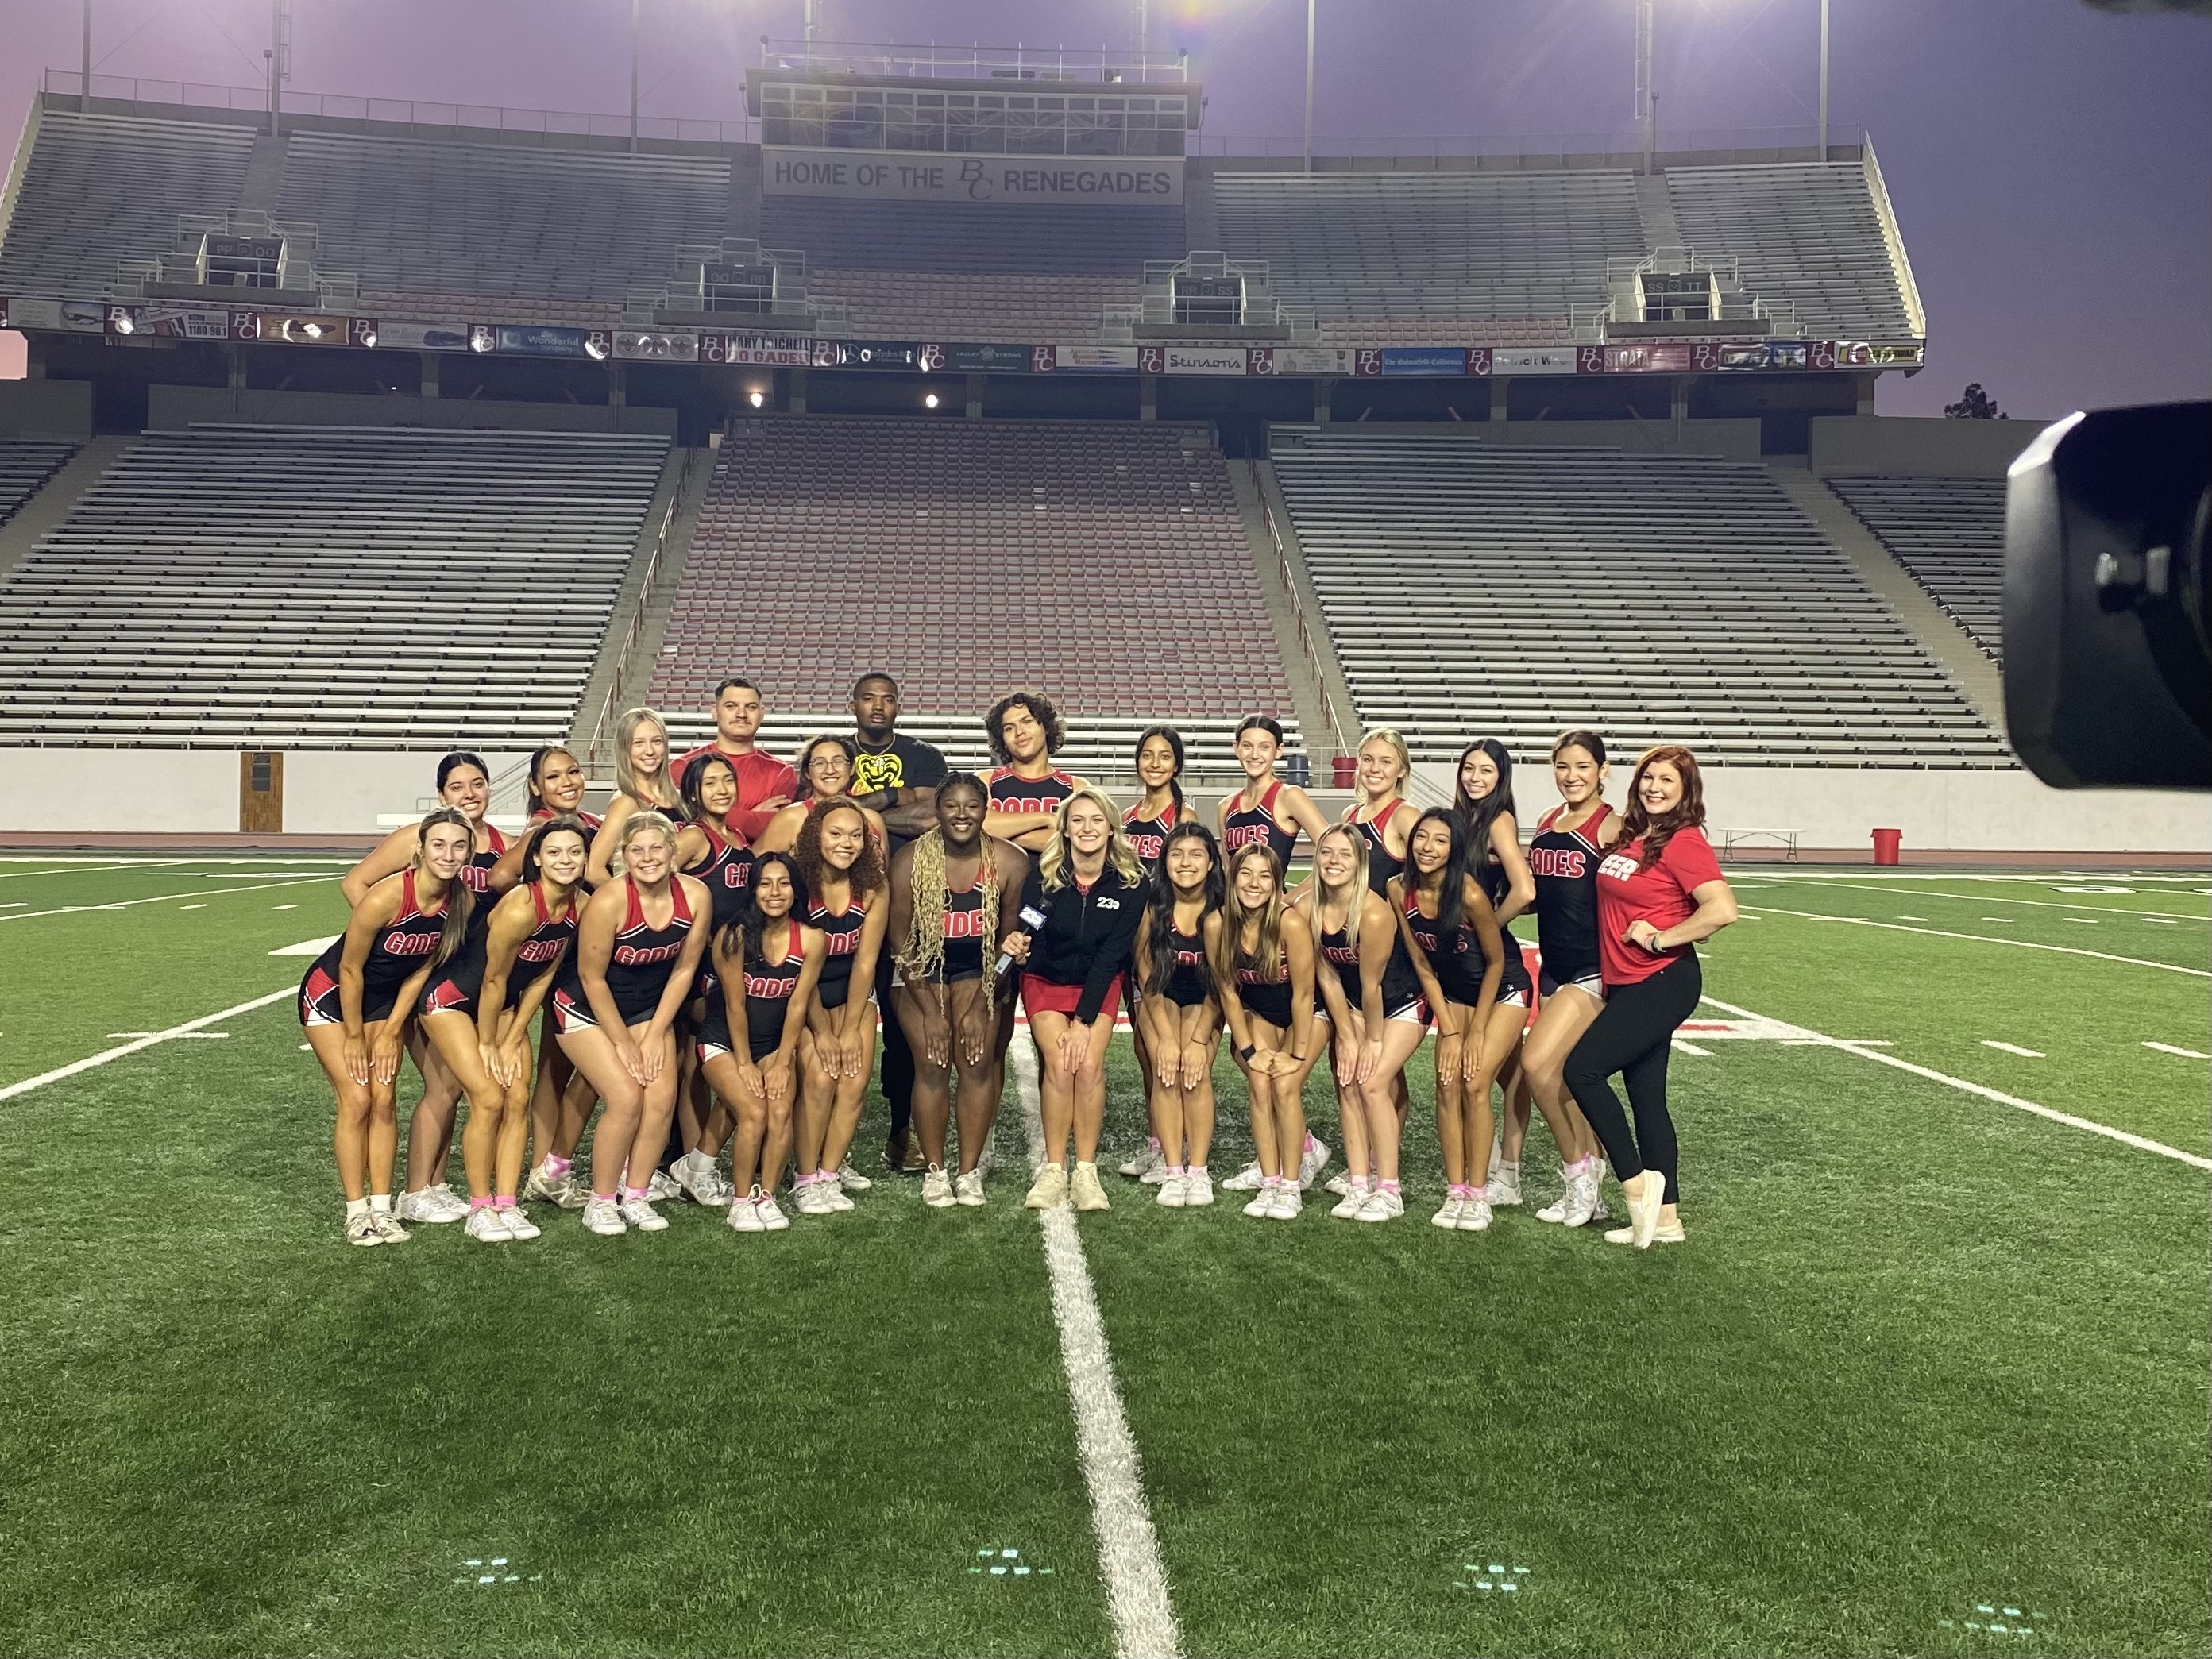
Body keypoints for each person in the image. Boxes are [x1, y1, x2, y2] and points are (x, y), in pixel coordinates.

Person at [1564, 745, 1738, 1250]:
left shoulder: (1683, 841)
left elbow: (1722, 909)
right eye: (1648, 778)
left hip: (1662, 979)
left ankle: (1639, 1187)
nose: (1655, 788)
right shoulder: (1636, 837)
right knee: (1647, 1099)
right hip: (1628, 981)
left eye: (1667, 781)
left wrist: (1663, 937)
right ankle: (1667, 1221)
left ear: (1686, 791)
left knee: (1582, 1071)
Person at [339, 751, 505, 1226]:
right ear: (441, 796)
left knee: (449, 1083)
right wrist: (397, 943)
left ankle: (432, 1183)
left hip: (456, 979)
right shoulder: (418, 839)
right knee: (432, 1084)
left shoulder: (500, 843)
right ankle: (415, 1188)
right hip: (414, 979)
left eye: (478, 784)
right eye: (457, 787)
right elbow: (357, 883)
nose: (469, 794)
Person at [301, 808, 476, 1246]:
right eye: (439, 844)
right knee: (357, 1099)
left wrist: (394, 1029)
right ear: (419, 848)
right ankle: (356, 1212)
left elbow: (422, 968)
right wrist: (358, 1037)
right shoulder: (386, 896)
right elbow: (351, 968)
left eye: (458, 846)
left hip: (384, 1003)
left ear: (469, 852)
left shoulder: (462, 901)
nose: (448, 854)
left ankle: (383, 1210)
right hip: (332, 995)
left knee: (384, 1100)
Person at [416, 817, 587, 1243]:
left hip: (505, 1006)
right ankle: (479, 1208)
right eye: (554, 852)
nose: (565, 861)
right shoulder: (520, 906)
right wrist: (490, 1043)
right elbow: (492, 980)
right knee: (490, 1097)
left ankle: (506, 1204)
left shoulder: (579, 904)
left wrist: (513, 1038)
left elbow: (543, 975)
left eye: (574, 852)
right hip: (452, 1002)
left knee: (518, 1097)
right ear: (536, 859)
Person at [550, 812, 710, 1237]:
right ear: (624, 856)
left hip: (645, 1009)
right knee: (625, 1096)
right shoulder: (610, 900)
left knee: (661, 1095)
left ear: (673, 852)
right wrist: (623, 1044)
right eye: (636, 850)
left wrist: (656, 1033)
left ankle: (635, 1194)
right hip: (585, 1007)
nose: (647, 858)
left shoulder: (695, 896)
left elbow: (683, 971)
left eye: (656, 848)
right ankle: (601, 1202)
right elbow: (591, 978)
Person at [886, 776, 1029, 1208]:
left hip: (981, 967)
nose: (962, 814)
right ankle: (935, 1171)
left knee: (977, 1060)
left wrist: (987, 1001)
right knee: (932, 1063)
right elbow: (899, 942)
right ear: (938, 810)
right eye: (951, 805)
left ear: (986, 810)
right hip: (920, 966)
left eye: (972, 806)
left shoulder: (1011, 861)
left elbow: (1010, 944)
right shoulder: (910, 859)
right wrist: (931, 1012)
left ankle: (968, 1173)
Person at [1009, 787, 1145, 1213]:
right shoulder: (1044, 876)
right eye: (1078, 821)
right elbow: (1032, 927)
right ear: (1065, 829)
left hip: (1098, 982)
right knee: (1059, 1061)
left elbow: (1112, 955)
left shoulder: (1131, 883)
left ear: (1110, 828)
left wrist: (1083, 1020)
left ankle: (1085, 1171)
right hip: (1046, 979)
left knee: (1087, 1065)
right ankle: (1053, 1169)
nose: (1087, 829)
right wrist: (1020, 945)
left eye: (1096, 820)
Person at [845, 671, 949, 1175]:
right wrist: (900, 800)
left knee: (908, 1021)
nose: (878, 707)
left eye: (888, 699)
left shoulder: (926, 756)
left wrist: (864, 807)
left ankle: (900, 1131)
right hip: (843, 908)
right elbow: (819, 814)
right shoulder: (831, 753)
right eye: (869, 699)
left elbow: (933, 817)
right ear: (854, 705)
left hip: (914, 904)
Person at [1302, 824, 1430, 1223]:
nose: (1334, 861)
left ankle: (1389, 1188)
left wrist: (1370, 1041)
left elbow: (1373, 985)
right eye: (1327, 853)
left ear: (1360, 863)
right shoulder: (1310, 907)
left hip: (1403, 1003)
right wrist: (1346, 1033)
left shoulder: (1373, 912)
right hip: (1356, 1005)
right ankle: (1359, 1184)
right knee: (1347, 1082)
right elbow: (1327, 976)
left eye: (1345, 854)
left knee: (1372, 1082)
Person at [1392, 808, 1508, 1232]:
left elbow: (1496, 963)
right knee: (1446, 1084)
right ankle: (1455, 1190)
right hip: (1453, 995)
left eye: (1441, 840)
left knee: (1474, 1083)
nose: (1428, 847)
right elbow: (1422, 963)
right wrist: (1451, 1029)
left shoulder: (1471, 894)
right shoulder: (1397, 889)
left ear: (1454, 848)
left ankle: (1479, 1197)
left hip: (1501, 991)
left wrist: (1475, 1032)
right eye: (1422, 837)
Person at [697, 851, 824, 1234]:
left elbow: (799, 1004)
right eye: (765, 884)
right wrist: (745, 1063)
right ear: (753, 890)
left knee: (780, 1112)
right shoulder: (734, 935)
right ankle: (740, 1203)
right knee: (753, 1112)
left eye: (783, 883)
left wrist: (783, 1062)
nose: (775, 892)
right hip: (723, 1043)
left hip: (772, 1045)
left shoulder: (812, 940)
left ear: (795, 890)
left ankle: (765, 1197)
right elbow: (735, 1005)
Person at [1522, 731, 1619, 1228]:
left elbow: (1649, 879)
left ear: (1603, 770)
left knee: (1537, 1066)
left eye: (1582, 766)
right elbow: (1544, 893)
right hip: (1553, 966)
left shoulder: (1613, 826)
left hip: (1592, 967)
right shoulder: (1546, 821)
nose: (1572, 776)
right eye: (1562, 766)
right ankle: (1592, 1190)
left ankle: (1578, 1177)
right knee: (1564, 1078)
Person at [789, 797, 890, 1216]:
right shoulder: (797, 882)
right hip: (802, 994)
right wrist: (823, 1032)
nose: (846, 843)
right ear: (816, 836)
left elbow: (866, 961)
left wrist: (849, 1028)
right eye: (836, 833)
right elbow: (798, 968)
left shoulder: (874, 886)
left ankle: (830, 1174)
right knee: (818, 1079)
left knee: (852, 1080)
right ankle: (804, 1178)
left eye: (855, 836)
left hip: (851, 993)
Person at [1211, 843, 1324, 1221]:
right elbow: (1227, 990)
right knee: (1259, 1082)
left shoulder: (1289, 922)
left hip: (1306, 1013)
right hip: (1259, 1011)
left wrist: (1295, 1054)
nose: (1254, 884)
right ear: (1232, 878)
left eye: (1264, 876)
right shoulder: (1217, 923)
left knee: (1285, 1086)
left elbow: (1306, 993)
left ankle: (1291, 1187)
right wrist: (1247, 1051)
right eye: (1246, 874)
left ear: (1277, 883)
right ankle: (1271, 1179)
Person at [1454, 738, 1539, 1204]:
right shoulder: (1463, 819)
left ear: (1501, 777)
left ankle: (1503, 1171)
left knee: (1478, 1077)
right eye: (1469, 769)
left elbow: (1525, 890)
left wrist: (1487, 925)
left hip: (1496, 964)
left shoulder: (1498, 819)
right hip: (1463, 967)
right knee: (1509, 1074)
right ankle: (1501, 1170)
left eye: (1486, 771)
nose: (1475, 778)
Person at [1129, 820, 1226, 1208]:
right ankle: (1172, 1170)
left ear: (1211, 862)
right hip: (1160, 994)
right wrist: (1166, 1039)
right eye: (1176, 854)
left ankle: (1198, 1172)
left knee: (1195, 1073)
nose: (1186, 863)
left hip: (1209, 997)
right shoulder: (1152, 905)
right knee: (1166, 1072)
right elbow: (1146, 973)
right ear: (1163, 861)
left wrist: (1199, 1039)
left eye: (1196, 855)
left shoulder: (1223, 907)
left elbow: (1223, 982)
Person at [671, 677, 797, 844]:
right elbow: (683, 817)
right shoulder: (683, 767)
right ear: (715, 712)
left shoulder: (782, 773)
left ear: (762, 713)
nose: (742, 714)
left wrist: (709, 812)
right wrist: (752, 816)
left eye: (751, 707)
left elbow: (776, 829)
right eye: (731, 706)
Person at [1218, 714, 1330, 869]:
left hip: (1275, 894)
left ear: (1278, 751)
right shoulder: (1225, 806)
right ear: (1236, 748)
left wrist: (1297, 893)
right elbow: (1227, 867)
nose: (1255, 755)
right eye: (1247, 746)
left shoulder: (1289, 796)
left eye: (1264, 747)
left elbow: (1333, 850)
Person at [587, 708, 681, 888]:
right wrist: (631, 903)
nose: (650, 751)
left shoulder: (680, 798)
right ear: (625, 749)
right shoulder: (626, 803)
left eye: (657, 741)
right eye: (638, 743)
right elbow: (593, 869)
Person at [981, 689, 1081, 855]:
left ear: (1046, 727)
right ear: (1003, 740)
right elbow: (979, 825)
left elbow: (1076, 841)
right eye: (1009, 728)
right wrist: (1046, 818)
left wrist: (1002, 833)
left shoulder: (1076, 787)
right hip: (996, 880)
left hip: (1055, 880)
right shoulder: (986, 780)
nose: (1019, 732)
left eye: (1027, 722)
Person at [752, 735, 889, 854]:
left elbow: (884, 877)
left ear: (852, 768)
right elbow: (758, 864)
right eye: (819, 763)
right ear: (807, 772)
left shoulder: (873, 820)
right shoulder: (790, 818)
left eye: (838, 761)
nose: (830, 770)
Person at [1344, 727, 1416, 897]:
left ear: (1401, 770)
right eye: (1368, 759)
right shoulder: (1349, 814)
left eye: (1386, 762)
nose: (1375, 769)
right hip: (1347, 920)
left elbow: (1429, 879)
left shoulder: (1405, 816)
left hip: (1384, 921)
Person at [1121, 725, 1193, 874]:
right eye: (1147, 755)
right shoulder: (1127, 816)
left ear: (1176, 765)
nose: (1155, 764)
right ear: (1138, 761)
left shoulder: (1184, 817)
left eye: (1165, 757)